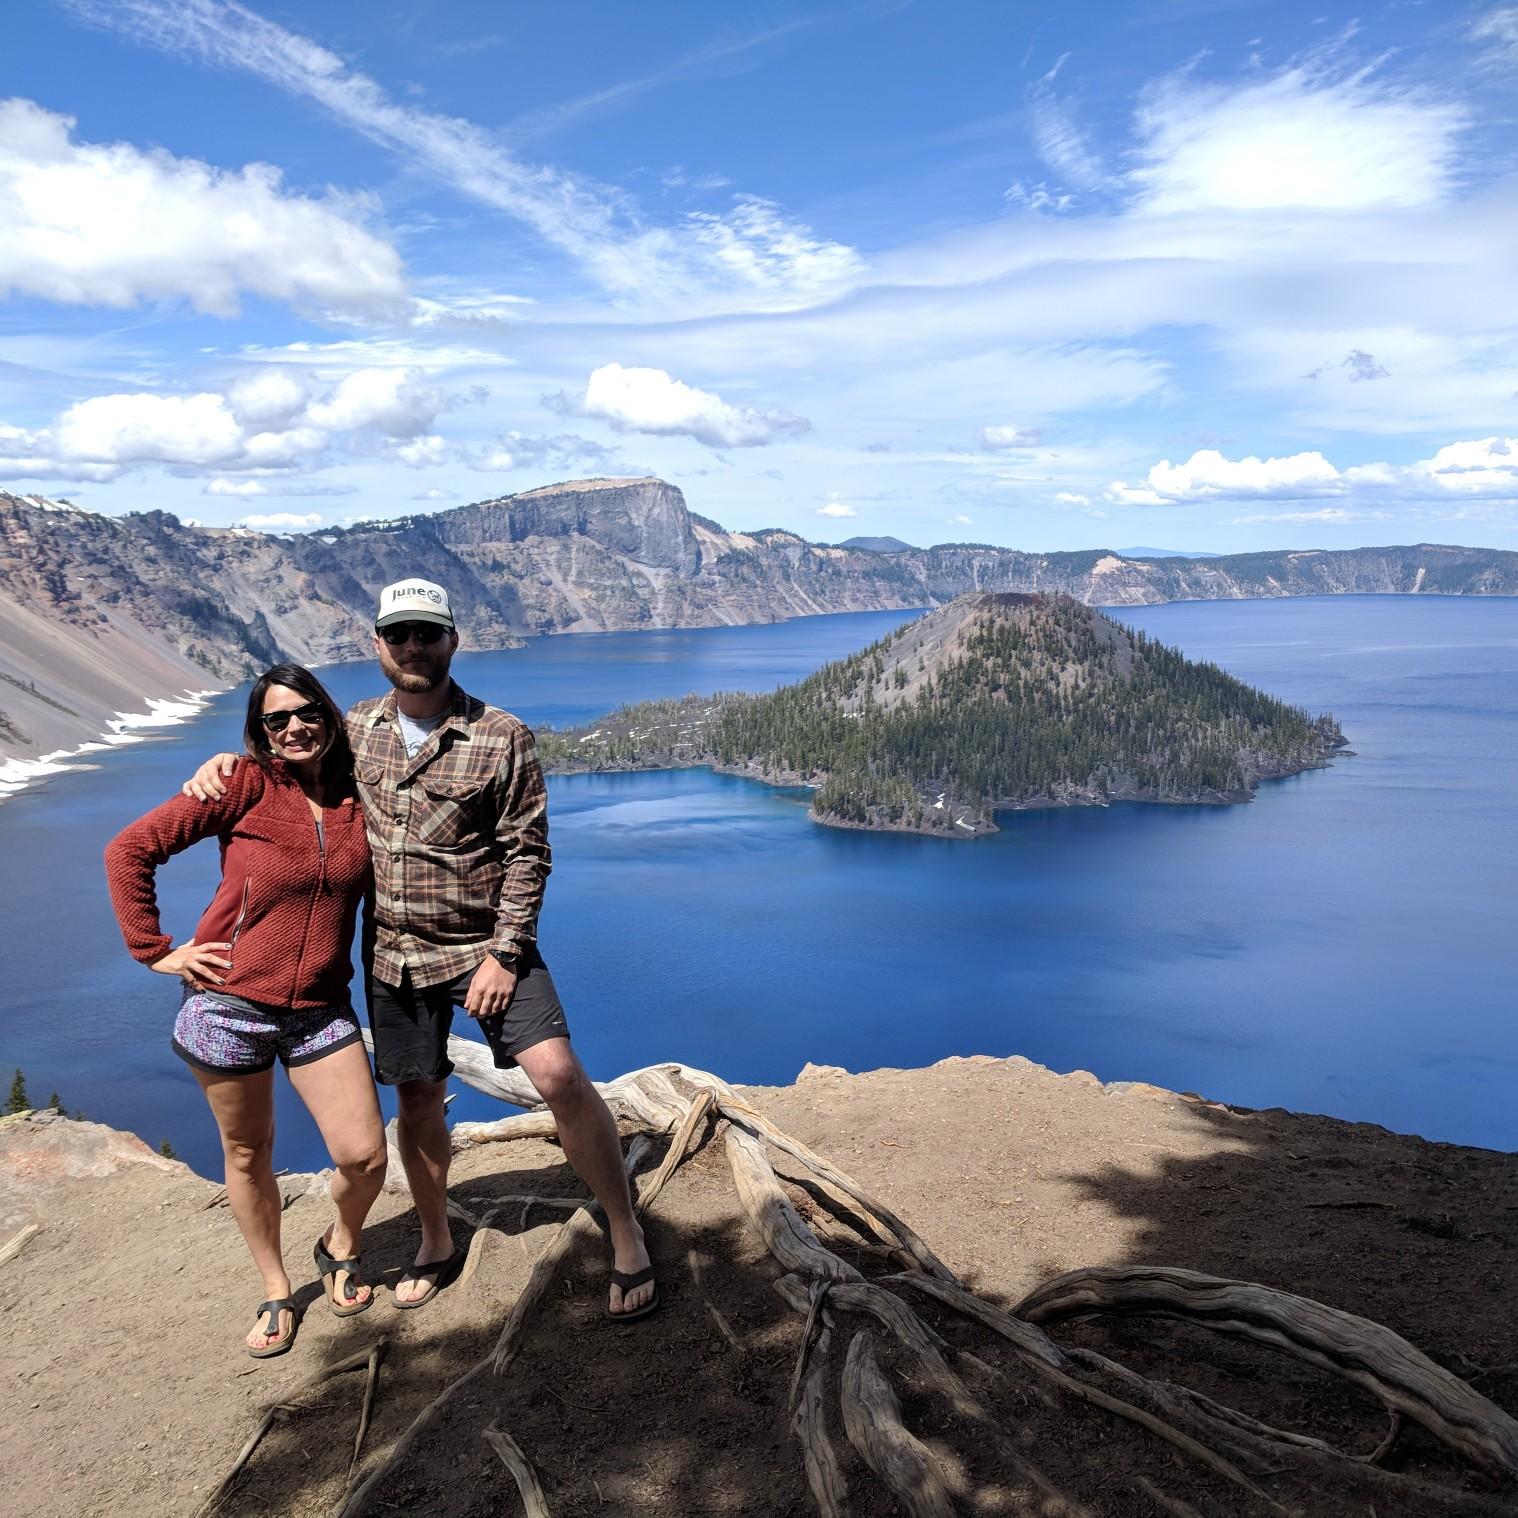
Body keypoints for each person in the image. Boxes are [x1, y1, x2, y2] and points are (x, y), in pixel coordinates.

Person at [184, 580, 656, 1319]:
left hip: (488, 945)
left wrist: (505, 953)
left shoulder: (501, 736)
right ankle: (435, 1238)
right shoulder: (355, 729)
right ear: (377, 646)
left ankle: (624, 1228)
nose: (413, 647)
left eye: (426, 634)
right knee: (417, 1097)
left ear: (451, 640)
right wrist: (224, 762)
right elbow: (287, 755)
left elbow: (527, 855)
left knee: (559, 1075)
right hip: (395, 955)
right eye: (398, 634)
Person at [105, 664, 388, 1359]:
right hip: (227, 1007)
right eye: (275, 720)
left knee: (364, 1153)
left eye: (305, 713)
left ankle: (340, 1242)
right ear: (259, 731)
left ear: (328, 714)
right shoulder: (241, 785)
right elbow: (129, 850)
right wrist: (156, 950)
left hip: (321, 1007)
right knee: (247, 1152)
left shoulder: (361, 793)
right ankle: (274, 1288)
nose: (293, 728)